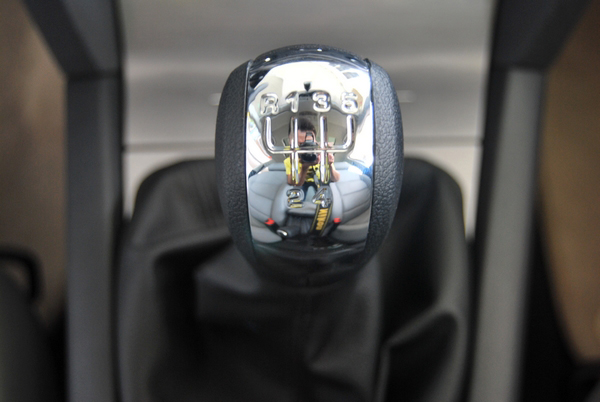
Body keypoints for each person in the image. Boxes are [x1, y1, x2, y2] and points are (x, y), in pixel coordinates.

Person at [284, 117, 340, 198]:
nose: (305, 148)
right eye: (300, 144)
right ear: (291, 143)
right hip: (302, 185)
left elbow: (336, 179)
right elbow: (294, 184)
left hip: (321, 184)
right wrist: (304, 167)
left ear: (315, 141)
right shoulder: (290, 160)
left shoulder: (323, 155)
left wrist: (330, 165)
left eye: (309, 143)